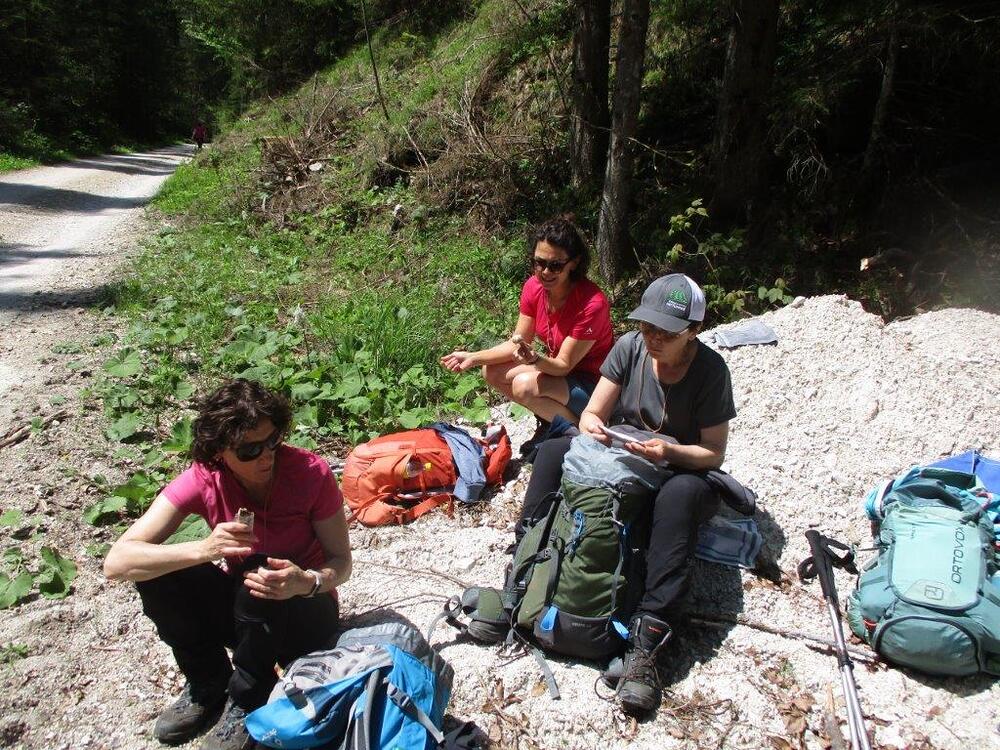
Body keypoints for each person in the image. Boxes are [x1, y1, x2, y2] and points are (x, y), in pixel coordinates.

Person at [516, 273, 736, 715]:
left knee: (678, 497)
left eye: (666, 332)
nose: (653, 338)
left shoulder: (711, 371)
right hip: (624, 454)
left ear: (693, 330)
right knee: (553, 451)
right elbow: (593, 412)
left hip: (678, 465)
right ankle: (523, 574)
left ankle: (648, 638)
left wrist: (668, 450)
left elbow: (713, 453)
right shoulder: (630, 348)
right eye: (647, 327)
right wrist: (593, 426)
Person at [104, 379, 352, 750]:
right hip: (248, 616)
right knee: (160, 571)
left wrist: (307, 581)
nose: (266, 456)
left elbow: (342, 562)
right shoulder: (205, 478)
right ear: (219, 451)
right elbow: (117, 561)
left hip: (305, 614)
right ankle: (208, 681)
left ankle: (249, 696)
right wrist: (205, 549)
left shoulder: (308, 473)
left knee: (260, 571)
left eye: (272, 441)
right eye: (250, 450)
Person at [440, 218, 613, 456]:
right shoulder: (534, 287)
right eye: (539, 263)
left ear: (574, 263)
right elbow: (516, 342)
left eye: (555, 265)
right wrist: (473, 357)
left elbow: (563, 365)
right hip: (562, 377)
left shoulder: (591, 304)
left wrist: (535, 360)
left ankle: (577, 431)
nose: (545, 272)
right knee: (491, 371)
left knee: (524, 386)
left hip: (595, 388)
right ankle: (552, 421)